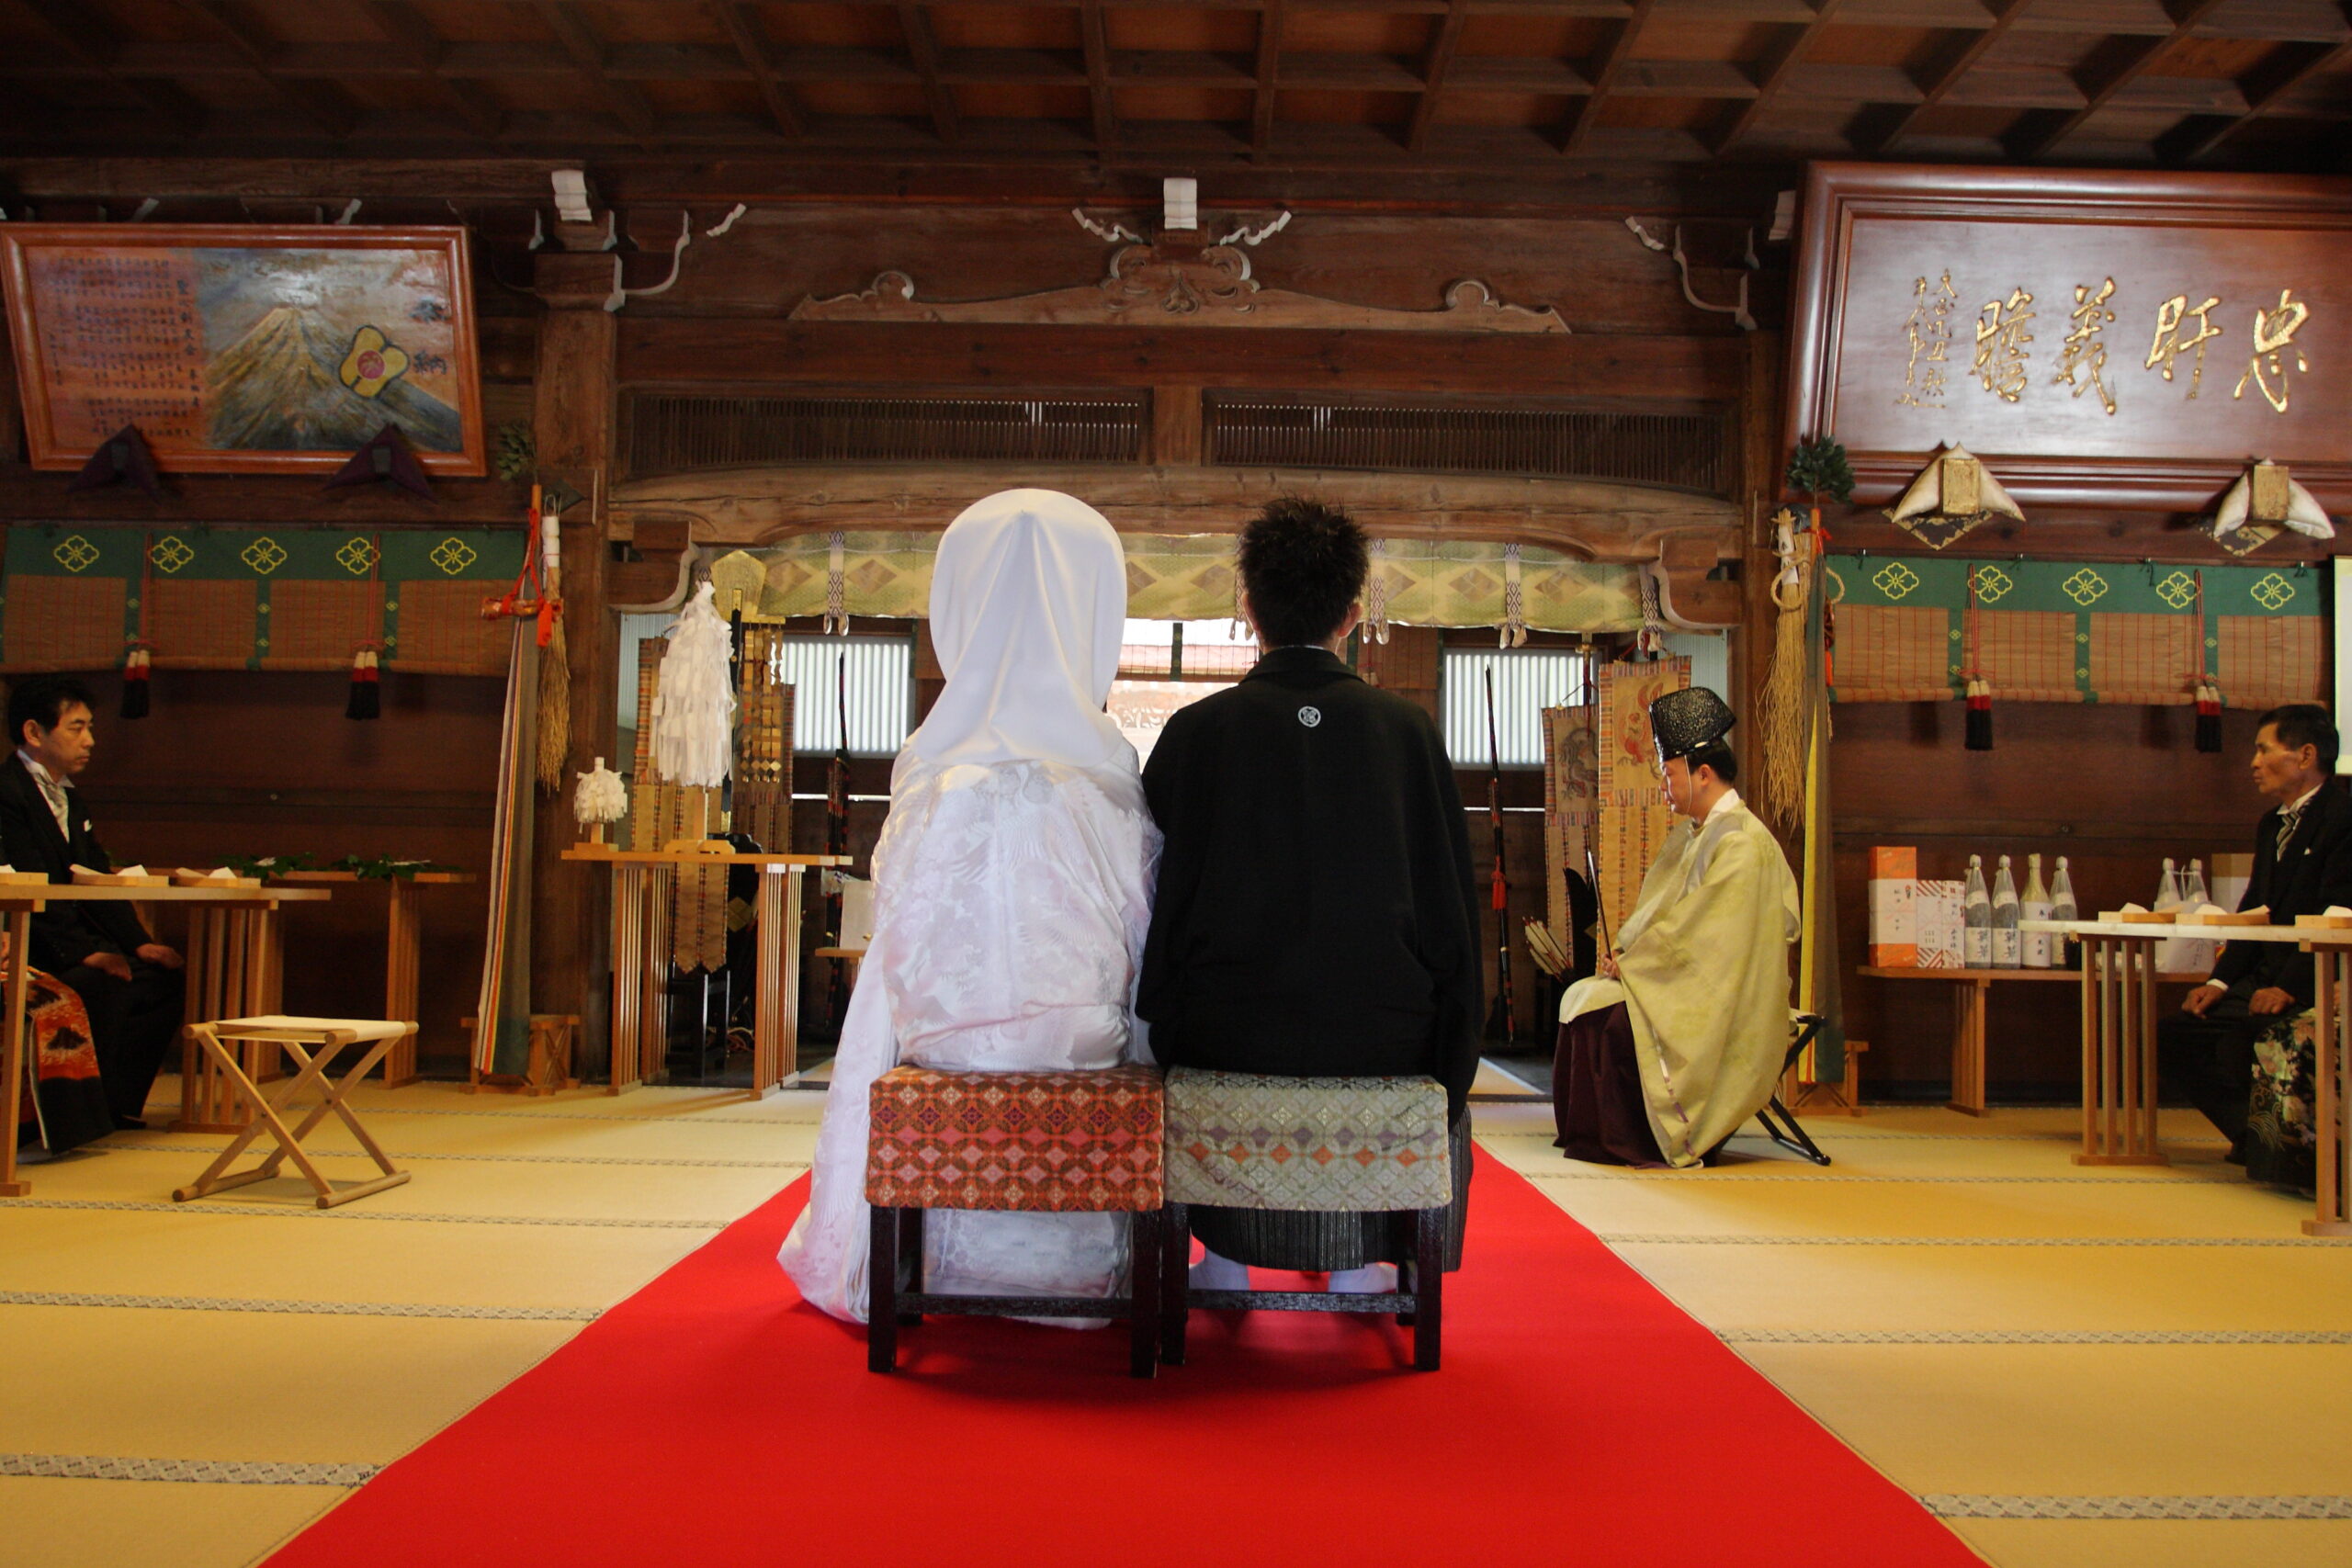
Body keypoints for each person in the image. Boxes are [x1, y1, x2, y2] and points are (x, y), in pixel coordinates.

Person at [778, 490, 1159, 1323]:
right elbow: (1140, 933)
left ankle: (913, 1257)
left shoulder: (932, 762)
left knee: (897, 1001)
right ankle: (1089, 1269)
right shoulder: (1106, 768)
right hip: (1082, 1054)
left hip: (941, 1051)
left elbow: (900, 934)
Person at [1137, 497, 1481, 1295]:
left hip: (1226, 1036)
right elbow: (1449, 916)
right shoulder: (1408, 732)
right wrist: (1452, 1054)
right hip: (1382, 1042)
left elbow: (1153, 897)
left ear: (1247, 607)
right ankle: (1376, 1259)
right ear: (1353, 613)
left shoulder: (1196, 732)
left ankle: (1222, 1255)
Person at [1552, 687, 1798, 1169]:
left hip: (1728, 999)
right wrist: (1625, 957)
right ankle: (1594, 1137)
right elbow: (1662, 916)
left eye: (1668, 773)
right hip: (1687, 980)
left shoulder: (1744, 846)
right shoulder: (1697, 834)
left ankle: (1633, 1140)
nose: (1665, 785)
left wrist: (1637, 968)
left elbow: (1708, 937)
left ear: (1702, 774)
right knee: (1582, 998)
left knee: (1612, 1024)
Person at [2159, 703, 2352, 1160]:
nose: (2253, 763)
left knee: (2240, 1042)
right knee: (2180, 1034)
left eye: (2264, 751)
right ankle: (2256, 1138)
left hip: (2317, 978)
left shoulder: (2344, 816)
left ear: (2305, 756)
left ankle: (2283, 1148)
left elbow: (2339, 916)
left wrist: (2288, 986)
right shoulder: (2273, 824)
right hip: (2263, 973)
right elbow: (2254, 912)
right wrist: (2219, 981)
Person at [0, 676, 184, 1130]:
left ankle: (113, 1104)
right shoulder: (7, 793)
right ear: (33, 732)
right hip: (27, 941)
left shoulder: (68, 796)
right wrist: (87, 952)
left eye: (90, 727)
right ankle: (69, 1118)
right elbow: (29, 888)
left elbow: (96, 880)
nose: (90, 741)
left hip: (66, 934)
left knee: (160, 977)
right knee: (101, 982)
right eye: (76, 728)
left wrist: (138, 943)